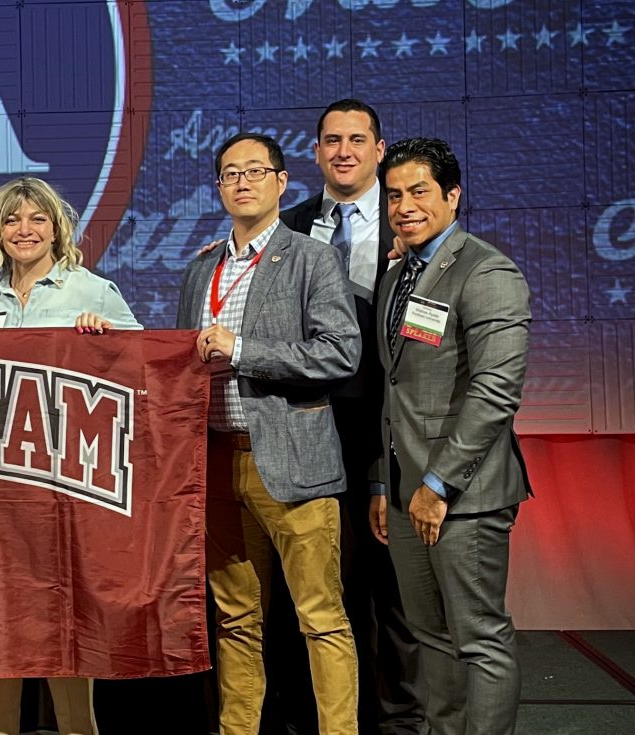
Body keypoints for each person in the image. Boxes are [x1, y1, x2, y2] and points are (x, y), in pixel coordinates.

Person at [0, 175, 139, 735]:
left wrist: (107, 343)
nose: (25, 229)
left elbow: (146, 376)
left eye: (37, 218)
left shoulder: (91, 291)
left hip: (63, 488)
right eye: (12, 220)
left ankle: (80, 731)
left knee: (61, 618)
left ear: (58, 229)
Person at [174, 132, 361, 735]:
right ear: (220, 188)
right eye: (231, 174)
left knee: (321, 617)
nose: (243, 182)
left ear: (282, 183)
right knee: (233, 619)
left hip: (291, 463)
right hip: (215, 464)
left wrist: (244, 350)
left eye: (256, 171)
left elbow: (340, 354)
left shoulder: (312, 258)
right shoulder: (200, 267)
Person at [370, 137, 531, 735]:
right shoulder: (399, 273)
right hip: (406, 491)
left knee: (479, 639)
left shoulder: (486, 270)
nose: (405, 205)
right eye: (394, 194)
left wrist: (437, 485)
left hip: (463, 494)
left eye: (419, 191)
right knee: (430, 639)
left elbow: (495, 390)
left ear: (453, 195)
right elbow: (397, 391)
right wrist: (384, 484)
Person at [274, 99, 423, 734]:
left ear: (379, 149)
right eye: (331, 140)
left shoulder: (410, 228)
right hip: (305, 428)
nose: (343, 151)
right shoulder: (288, 227)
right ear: (315, 153)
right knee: (311, 593)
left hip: (384, 433)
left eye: (357, 140)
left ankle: (394, 724)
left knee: (389, 594)